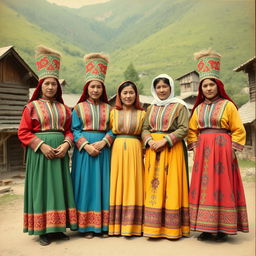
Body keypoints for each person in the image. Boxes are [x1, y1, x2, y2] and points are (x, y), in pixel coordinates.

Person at [18, 45, 77, 246]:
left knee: (59, 189)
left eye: (54, 84)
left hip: (59, 155)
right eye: (47, 84)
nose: (50, 87)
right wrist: (41, 145)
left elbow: (69, 130)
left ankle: (58, 228)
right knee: (42, 189)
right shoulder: (31, 107)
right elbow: (23, 132)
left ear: (58, 87)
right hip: (40, 155)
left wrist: (66, 144)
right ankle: (42, 229)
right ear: (40, 86)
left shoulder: (65, 108)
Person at [187, 49, 249, 241]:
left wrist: (231, 150)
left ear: (217, 85)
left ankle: (223, 228)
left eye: (211, 84)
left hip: (223, 151)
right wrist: (196, 147)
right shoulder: (198, 109)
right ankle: (206, 228)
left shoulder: (228, 106)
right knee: (204, 188)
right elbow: (192, 131)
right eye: (204, 85)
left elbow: (238, 129)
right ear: (201, 88)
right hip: (203, 153)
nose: (208, 88)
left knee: (221, 187)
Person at [142, 74, 190, 239]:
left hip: (172, 149)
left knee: (171, 186)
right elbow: (145, 128)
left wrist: (165, 140)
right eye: (158, 87)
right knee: (154, 186)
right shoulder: (151, 108)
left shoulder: (180, 106)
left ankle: (172, 228)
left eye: (164, 87)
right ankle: (153, 228)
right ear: (154, 89)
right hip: (153, 150)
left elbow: (184, 128)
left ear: (170, 87)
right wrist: (149, 141)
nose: (161, 90)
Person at [71, 53, 114, 238]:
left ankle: (103, 226)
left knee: (104, 186)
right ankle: (87, 226)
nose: (95, 90)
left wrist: (104, 142)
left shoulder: (109, 108)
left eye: (98, 86)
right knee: (87, 186)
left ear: (102, 88)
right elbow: (74, 130)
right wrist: (86, 146)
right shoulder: (78, 108)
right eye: (92, 86)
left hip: (103, 151)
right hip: (85, 152)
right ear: (87, 88)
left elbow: (114, 129)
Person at [108, 81, 146, 236]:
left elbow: (144, 133)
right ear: (119, 95)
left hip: (135, 149)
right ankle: (117, 225)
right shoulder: (113, 113)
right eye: (125, 93)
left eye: (131, 93)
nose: (128, 96)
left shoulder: (143, 114)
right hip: (117, 149)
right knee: (118, 183)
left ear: (136, 95)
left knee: (134, 183)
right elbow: (110, 132)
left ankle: (134, 226)